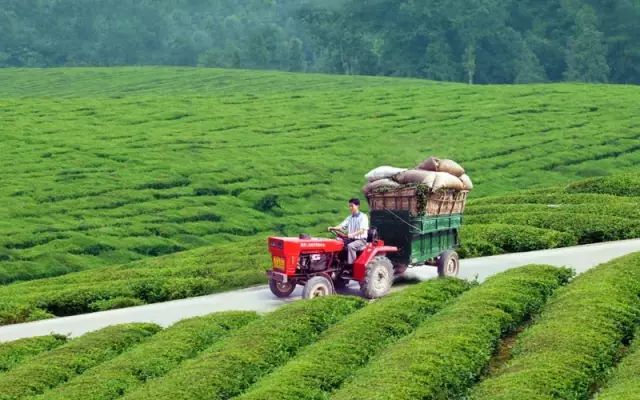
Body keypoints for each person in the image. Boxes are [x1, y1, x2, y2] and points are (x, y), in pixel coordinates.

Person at [328, 198, 369, 265]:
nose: (350, 208)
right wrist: (333, 228)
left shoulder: (363, 217)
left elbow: (362, 230)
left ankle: (351, 265)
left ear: (357, 206)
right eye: (349, 206)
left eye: (352, 206)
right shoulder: (349, 218)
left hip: (361, 240)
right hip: (351, 239)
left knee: (350, 246)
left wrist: (351, 235)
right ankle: (337, 262)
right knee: (337, 242)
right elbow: (341, 226)